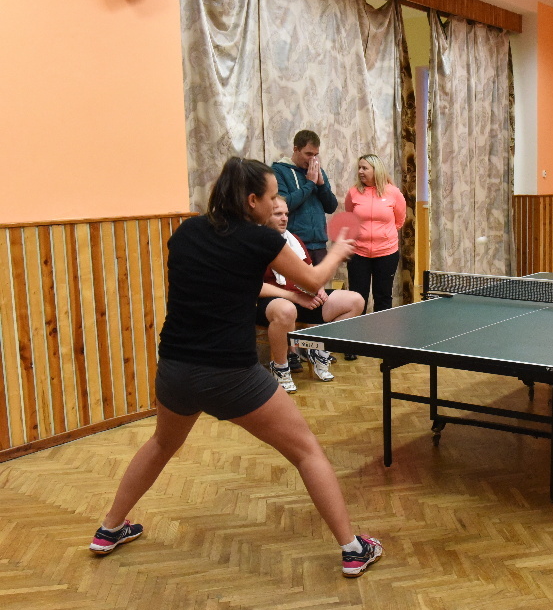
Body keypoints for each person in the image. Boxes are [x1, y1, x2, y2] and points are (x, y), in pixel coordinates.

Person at [88, 157, 383, 578]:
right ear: (251, 201)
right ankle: (353, 550)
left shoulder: (187, 232)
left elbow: (226, 277)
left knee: (161, 444)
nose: (277, 203)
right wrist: (337, 251)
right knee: (306, 451)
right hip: (231, 375)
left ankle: (109, 529)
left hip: (175, 368)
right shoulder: (261, 240)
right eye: (272, 197)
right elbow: (314, 281)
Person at [259, 196, 365, 392]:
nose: (284, 218)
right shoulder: (254, 243)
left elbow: (309, 273)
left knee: (355, 301)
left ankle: (318, 350)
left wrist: (319, 290)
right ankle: (280, 367)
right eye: (278, 214)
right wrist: (295, 297)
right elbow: (254, 286)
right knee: (287, 310)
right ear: (264, 215)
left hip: (300, 298)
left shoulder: (293, 240)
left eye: (286, 214)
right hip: (268, 303)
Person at [344, 154, 407, 314]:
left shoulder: (393, 193)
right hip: (358, 254)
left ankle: (382, 330)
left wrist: (383, 236)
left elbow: (399, 220)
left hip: (386, 254)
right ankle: (358, 330)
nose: (360, 171)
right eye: (359, 168)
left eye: (364, 168)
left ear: (376, 170)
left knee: (383, 297)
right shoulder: (353, 193)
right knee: (358, 298)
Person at [272, 130, 338, 265]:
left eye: (315, 155)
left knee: (321, 280)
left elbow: (331, 207)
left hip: (319, 244)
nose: (312, 159)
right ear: (296, 149)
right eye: (308, 154)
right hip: (293, 244)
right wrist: (310, 184)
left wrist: (321, 185)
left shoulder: (317, 171)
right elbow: (285, 204)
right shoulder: (279, 170)